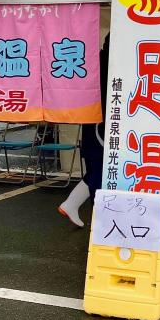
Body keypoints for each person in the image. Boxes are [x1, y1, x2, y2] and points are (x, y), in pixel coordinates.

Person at [58, 33, 110, 227]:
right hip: (102, 125)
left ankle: (71, 204)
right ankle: (100, 223)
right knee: (101, 170)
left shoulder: (94, 60)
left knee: (98, 170)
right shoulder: (108, 64)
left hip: (93, 123)